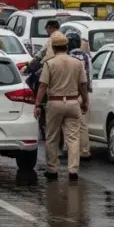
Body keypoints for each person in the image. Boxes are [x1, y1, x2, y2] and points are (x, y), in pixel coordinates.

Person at [35, 32, 89, 181]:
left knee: (52, 137)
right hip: (73, 102)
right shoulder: (77, 63)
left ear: (53, 47)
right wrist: (85, 101)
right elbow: (83, 85)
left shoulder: (50, 63)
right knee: (73, 137)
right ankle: (73, 170)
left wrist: (37, 104)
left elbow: (43, 86)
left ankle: (52, 169)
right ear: (66, 47)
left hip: (55, 102)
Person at [66, 30, 93, 162]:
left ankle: (70, 149)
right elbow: (90, 75)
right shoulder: (87, 57)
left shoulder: (68, 57)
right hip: (84, 93)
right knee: (83, 124)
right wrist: (87, 96)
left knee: (69, 124)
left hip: (71, 94)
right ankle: (85, 150)